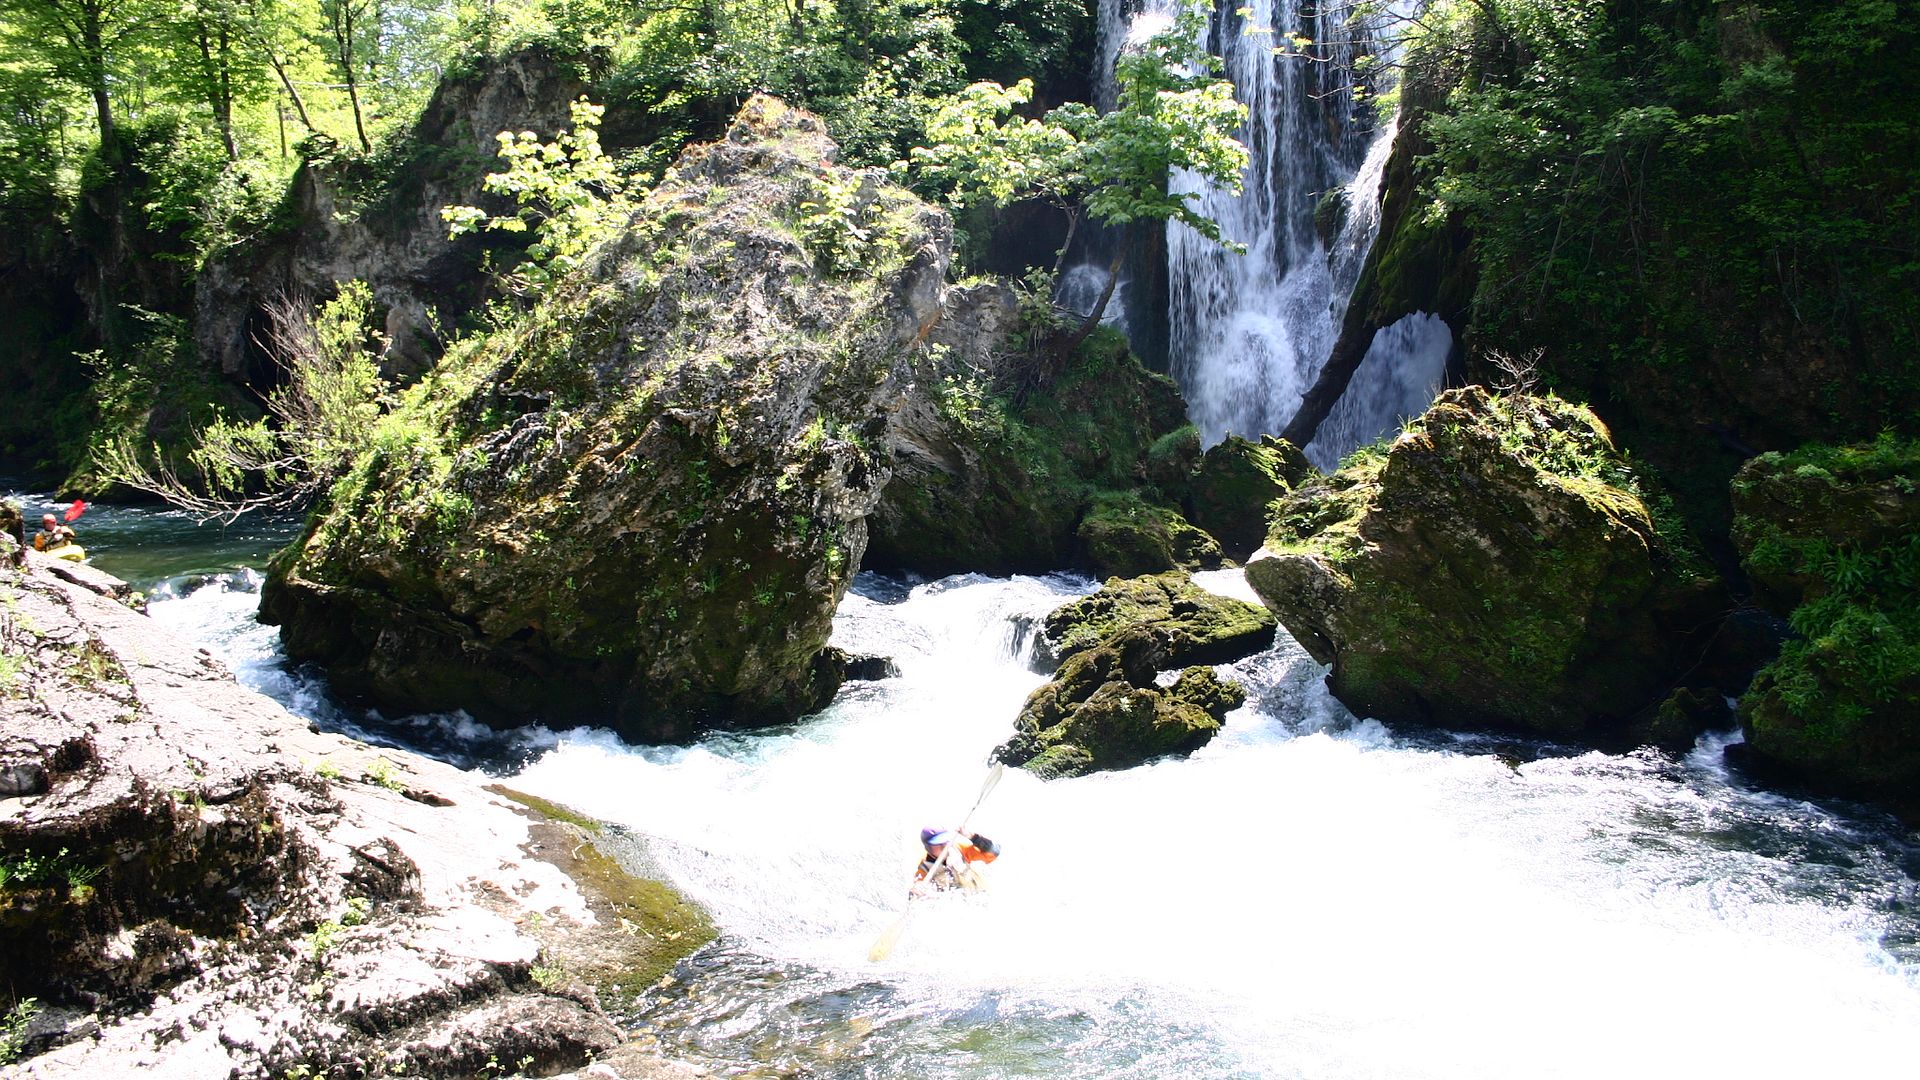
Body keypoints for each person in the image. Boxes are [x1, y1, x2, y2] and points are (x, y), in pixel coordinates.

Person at [912, 827, 1001, 895]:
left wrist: (973, 837)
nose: (943, 846)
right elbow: (916, 889)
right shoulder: (924, 868)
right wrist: (917, 889)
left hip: (977, 893)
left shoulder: (960, 849)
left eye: (944, 841)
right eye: (937, 844)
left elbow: (993, 853)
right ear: (928, 848)